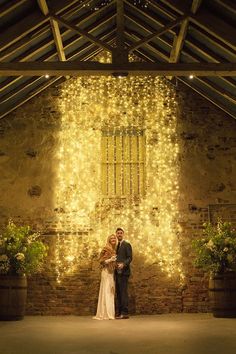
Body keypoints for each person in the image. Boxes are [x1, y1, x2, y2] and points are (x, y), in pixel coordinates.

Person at [93, 234, 117, 320]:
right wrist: (111, 259)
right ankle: (105, 313)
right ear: (109, 240)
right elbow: (101, 261)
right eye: (111, 238)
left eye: (114, 238)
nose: (113, 239)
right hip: (106, 272)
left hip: (111, 272)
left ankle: (110, 313)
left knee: (110, 292)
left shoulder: (114, 250)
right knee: (106, 291)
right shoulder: (106, 249)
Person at [115, 227, 132, 319]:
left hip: (124, 273)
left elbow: (130, 257)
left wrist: (123, 264)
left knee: (123, 292)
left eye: (121, 233)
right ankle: (120, 312)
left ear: (123, 234)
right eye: (118, 233)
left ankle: (125, 313)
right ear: (116, 234)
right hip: (117, 272)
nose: (119, 234)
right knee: (119, 293)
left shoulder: (127, 244)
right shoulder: (117, 246)